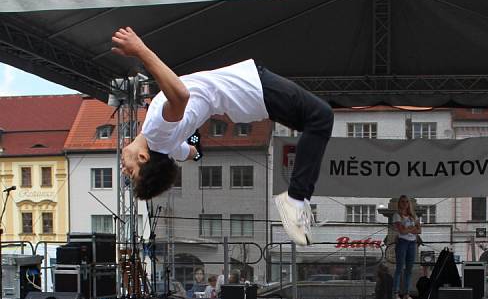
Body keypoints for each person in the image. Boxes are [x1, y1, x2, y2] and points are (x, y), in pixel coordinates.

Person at [111, 26, 333, 247]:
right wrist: (140, 50)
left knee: (316, 122)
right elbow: (180, 96)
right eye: (131, 171)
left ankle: (298, 197)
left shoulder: (165, 148)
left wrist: (192, 148)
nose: (124, 168)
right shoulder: (157, 132)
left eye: (128, 173)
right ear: (142, 157)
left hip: (249, 100)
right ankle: (295, 198)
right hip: (251, 88)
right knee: (320, 117)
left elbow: (191, 152)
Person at [392, 195, 421, 299]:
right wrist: (412, 229)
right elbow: (402, 231)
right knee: (399, 268)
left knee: (409, 269)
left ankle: (407, 295)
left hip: (412, 243)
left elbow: (420, 230)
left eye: (406, 202)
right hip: (402, 243)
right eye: (402, 202)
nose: (405, 204)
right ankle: (396, 294)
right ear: (399, 203)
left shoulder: (413, 216)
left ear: (409, 203)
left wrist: (408, 229)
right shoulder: (397, 215)